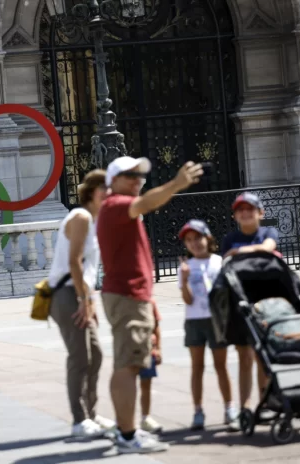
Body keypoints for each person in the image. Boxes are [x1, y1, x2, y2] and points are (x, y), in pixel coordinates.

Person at [96, 156, 203, 454]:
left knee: (126, 365)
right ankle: (128, 436)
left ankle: (125, 430)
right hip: (128, 295)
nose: (138, 179)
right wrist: (177, 184)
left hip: (129, 295)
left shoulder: (116, 208)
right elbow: (144, 203)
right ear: (113, 180)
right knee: (129, 366)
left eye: (141, 174)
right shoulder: (116, 204)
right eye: (130, 174)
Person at [47, 169, 116, 438]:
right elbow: (75, 260)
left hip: (78, 293)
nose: (109, 194)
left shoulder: (95, 222)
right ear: (91, 192)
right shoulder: (81, 217)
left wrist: (91, 301)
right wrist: (84, 300)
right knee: (79, 357)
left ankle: (92, 414)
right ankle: (79, 420)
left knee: (95, 355)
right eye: (104, 190)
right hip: (66, 294)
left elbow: (88, 269)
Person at [220, 192, 279, 416]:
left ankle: (265, 400)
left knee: (262, 355)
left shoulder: (267, 232)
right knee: (244, 356)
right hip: (240, 305)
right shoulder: (229, 239)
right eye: (240, 210)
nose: (245, 213)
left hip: (265, 302)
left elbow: (268, 247)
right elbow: (226, 265)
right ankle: (244, 405)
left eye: (250, 209)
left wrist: (241, 251)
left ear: (260, 213)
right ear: (235, 215)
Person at [177, 219, 239, 431]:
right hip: (195, 321)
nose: (194, 243)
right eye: (189, 240)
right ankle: (198, 411)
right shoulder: (186, 267)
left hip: (216, 320)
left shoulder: (218, 262)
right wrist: (184, 280)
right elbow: (187, 300)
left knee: (221, 365)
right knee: (197, 367)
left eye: (198, 238)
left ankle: (230, 408)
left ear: (208, 239)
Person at [138, 299, 162, 434]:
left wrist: (158, 348)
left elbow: (156, 326)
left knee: (146, 385)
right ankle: (123, 420)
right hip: (131, 347)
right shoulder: (124, 300)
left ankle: (145, 417)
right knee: (127, 384)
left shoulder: (150, 301)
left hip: (148, 349)